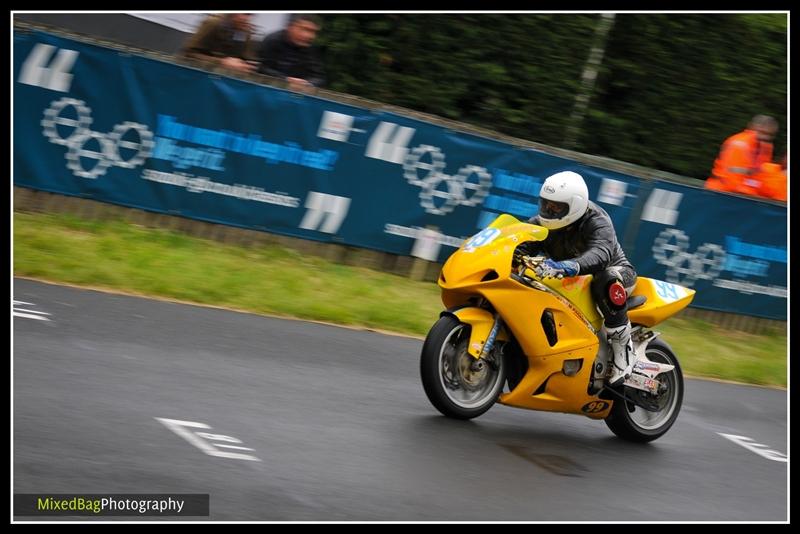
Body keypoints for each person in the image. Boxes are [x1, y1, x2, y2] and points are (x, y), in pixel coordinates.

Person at [527, 171, 638, 387]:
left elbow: (601, 253)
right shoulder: (543, 223)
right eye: (546, 204)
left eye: (556, 207)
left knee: (606, 278)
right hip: (573, 279)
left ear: (574, 206)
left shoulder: (597, 220)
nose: (549, 210)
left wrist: (570, 265)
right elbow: (521, 236)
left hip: (617, 274)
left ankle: (623, 351)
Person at [705, 115, 778, 197]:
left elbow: (760, 174)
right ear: (751, 128)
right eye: (762, 132)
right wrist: (756, 193)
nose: (765, 137)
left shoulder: (766, 146)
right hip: (720, 193)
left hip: (745, 195)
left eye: (770, 135)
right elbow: (732, 180)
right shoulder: (739, 144)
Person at [257, 14, 326, 92]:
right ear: (290, 27)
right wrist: (285, 80)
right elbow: (261, 68)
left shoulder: (312, 48)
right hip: (266, 90)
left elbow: (319, 77)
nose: (310, 36)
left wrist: (308, 84)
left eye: (313, 32)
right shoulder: (272, 41)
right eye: (305, 29)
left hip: (297, 94)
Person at [179, 13, 258, 74]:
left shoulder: (245, 32)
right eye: (244, 14)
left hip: (222, 79)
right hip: (193, 72)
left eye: (250, 15)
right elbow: (188, 53)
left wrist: (246, 66)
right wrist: (221, 62)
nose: (247, 19)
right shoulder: (213, 23)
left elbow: (245, 58)